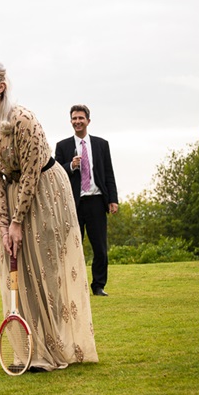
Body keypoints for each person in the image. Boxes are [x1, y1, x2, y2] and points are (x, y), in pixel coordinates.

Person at [0, 59, 98, 371]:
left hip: (46, 190)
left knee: (46, 272)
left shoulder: (23, 119)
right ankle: (28, 351)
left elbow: (29, 174)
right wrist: (4, 225)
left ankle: (53, 349)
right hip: (13, 198)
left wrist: (17, 222)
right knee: (18, 271)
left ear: (0, 87)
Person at [54, 105, 118, 297]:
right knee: (74, 247)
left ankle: (98, 286)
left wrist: (112, 199)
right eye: (74, 118)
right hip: (74, 203)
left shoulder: (101, 144)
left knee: (100, 248)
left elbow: (108, 173)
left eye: (81, 118)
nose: (77, 121)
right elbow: (55, 174)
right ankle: (75, 286)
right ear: (70, 121)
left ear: (88, 121)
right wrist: (70, 166)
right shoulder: (62, 146)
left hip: (97, 201)